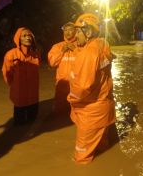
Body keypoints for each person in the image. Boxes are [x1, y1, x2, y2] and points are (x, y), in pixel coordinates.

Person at [67, 13, 116, 164]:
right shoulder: (103, 44)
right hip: (104, 108)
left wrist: (70, 99)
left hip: (90, 114)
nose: (75, 36)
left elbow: (83, 87)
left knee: (81, 160)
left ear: (88, 32)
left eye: (78, 32)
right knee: (102, 149)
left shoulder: (89, 53)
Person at [2, 27, 40, 125]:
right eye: (24, 36)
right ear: (18, 38)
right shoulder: (11, 54)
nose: (28, 38)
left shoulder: (35, 54)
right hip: (19, 93)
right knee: (20, 123)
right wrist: (14, 85)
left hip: (33, 94)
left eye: (29, 36)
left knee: (32, 120)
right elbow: (7, 72)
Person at [48, 22, 77, 115]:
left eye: (70, 30)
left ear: (76, 31)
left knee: (77, 114)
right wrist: (61, 51)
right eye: (65, 30)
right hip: (62, 85)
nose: (67, 32)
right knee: (59, 114)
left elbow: (88, 62)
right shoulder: (57, 46)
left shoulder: (81, 45)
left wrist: (75, 50)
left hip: (77, 85)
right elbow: (52, 63)